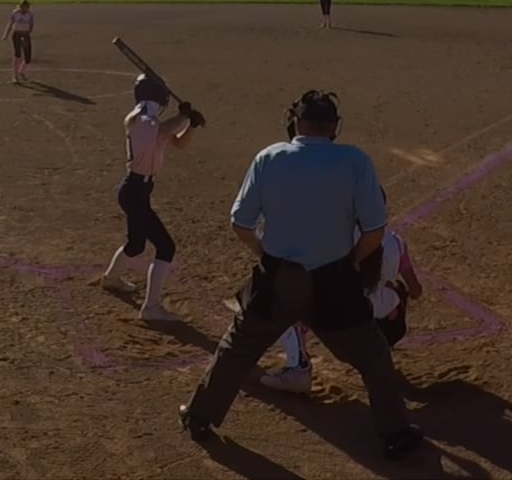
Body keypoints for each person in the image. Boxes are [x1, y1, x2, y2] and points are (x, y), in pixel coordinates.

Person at [177, 90, 422, 461]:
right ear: (335, 127)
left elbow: (241, 223)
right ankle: (396, 434)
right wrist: (353, 263)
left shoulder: (269, 157)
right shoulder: (354, 160)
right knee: (373, 356)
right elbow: (374, 230)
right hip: (334, 280)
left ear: (295, 123)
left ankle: (199, 416)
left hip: (278, 277)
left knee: (237, 347)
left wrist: (265, 255)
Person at [261, 196, 424, 392]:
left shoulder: (333, 238)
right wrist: (391, 288)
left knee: (284, 299)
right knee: (395, 291)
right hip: (373, 322)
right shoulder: (397, 244)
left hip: (340, 325)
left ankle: (298, 370)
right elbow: (416, 291)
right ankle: (382, 349)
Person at [100, 73, 202, 321]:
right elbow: (165, 129)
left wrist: (191, 125)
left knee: (136, 244)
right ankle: (151, 307)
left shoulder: (149, 122)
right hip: (134, 191)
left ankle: (110, 278)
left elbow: (178, 143)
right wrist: (183, 115)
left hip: (138, 191)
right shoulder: (143, 122)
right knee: (166, 246)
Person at [1, 0, 35, 83]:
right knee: (17, 55)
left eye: (26, 7)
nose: (24, 8)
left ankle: (21, 72)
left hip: (25, 35)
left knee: (28, 58)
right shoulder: (15, 13)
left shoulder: (30, 14)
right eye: (22, 7)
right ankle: (15, 76)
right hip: (16, 35)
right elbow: (10, 24)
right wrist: (5, 34)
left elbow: (31, 25)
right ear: (20, 6)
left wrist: (27, 35)